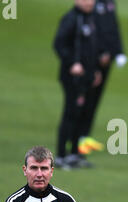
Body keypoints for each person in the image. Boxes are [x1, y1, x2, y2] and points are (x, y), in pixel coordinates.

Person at [53, 0, 102, 169]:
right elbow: (59, 44)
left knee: (82, 114)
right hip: (72, 77)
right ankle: (60, 155)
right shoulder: (71, 18)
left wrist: (94, 70)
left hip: (87, 76)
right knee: (71, 113)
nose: (91, 2)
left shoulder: (90, 18)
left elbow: (92, 48)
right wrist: (72, 63)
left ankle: (74, 153)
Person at [77, 0, 127, 155]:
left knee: (96, 98)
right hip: (93, 58)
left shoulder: (109, 2)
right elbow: (93, 32)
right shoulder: (90, 4)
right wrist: (101, 52)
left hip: (107, 59)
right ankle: (77, 136)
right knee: (85, 98)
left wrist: (118, 51)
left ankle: (85, 136)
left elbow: (113, 27)